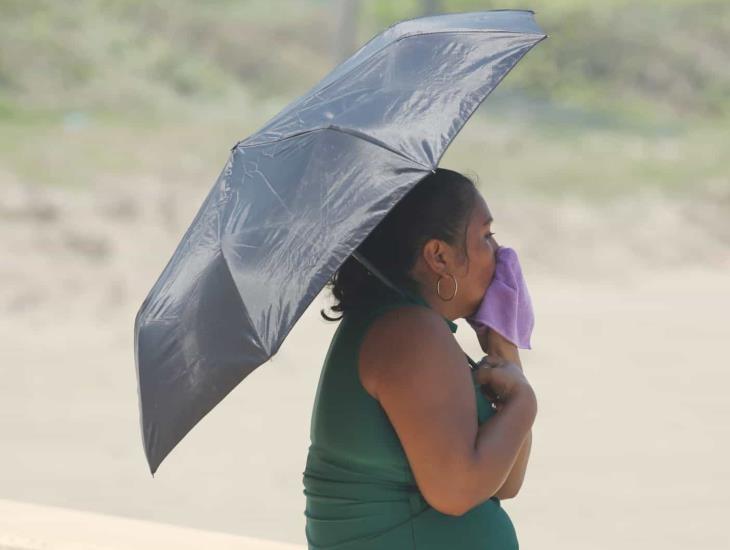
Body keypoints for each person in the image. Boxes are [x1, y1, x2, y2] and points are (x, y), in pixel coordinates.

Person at [303, 168, 537, 549]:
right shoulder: (409, 333)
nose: (501, 256)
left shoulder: (412, 327)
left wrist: (503, 353)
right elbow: (458, 491)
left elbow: (504, 481)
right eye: (486, 237)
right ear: (439, 256)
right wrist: (525, 402)